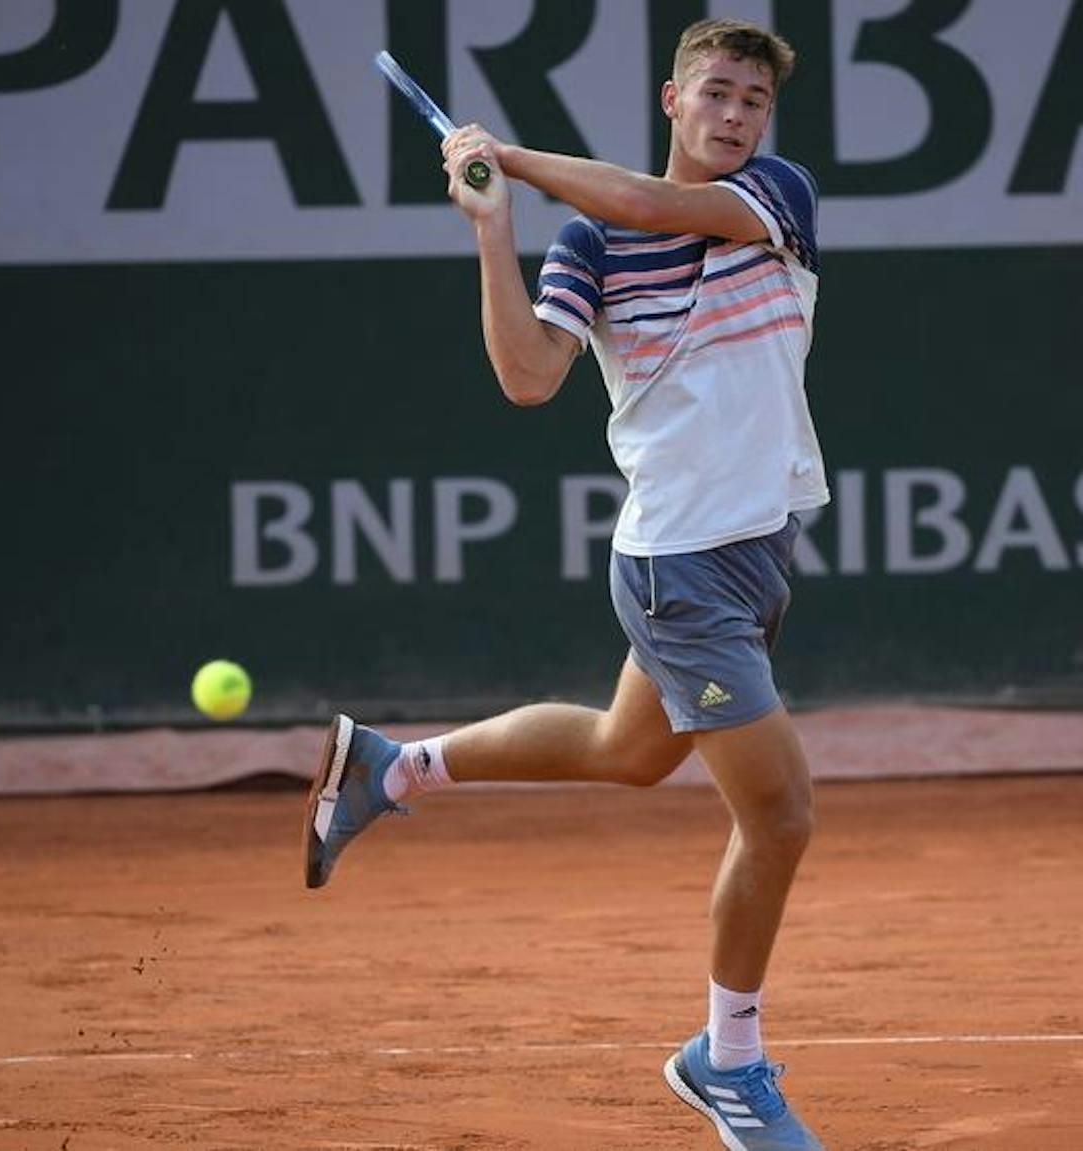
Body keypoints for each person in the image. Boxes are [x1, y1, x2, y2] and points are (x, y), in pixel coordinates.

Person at [306, 18, 827, 1150]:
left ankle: (399, 769)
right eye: (715, 95)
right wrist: (495, 231)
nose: (735, 115)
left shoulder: (775, 196)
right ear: (669, 100)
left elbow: (656, 206)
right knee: (779, 812)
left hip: (752, 550)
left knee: (624, 750)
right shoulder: (587, 246)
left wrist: (519, 158)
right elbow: (529, 377)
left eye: (751, 100)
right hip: (677, 563)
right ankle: (724, 1060)